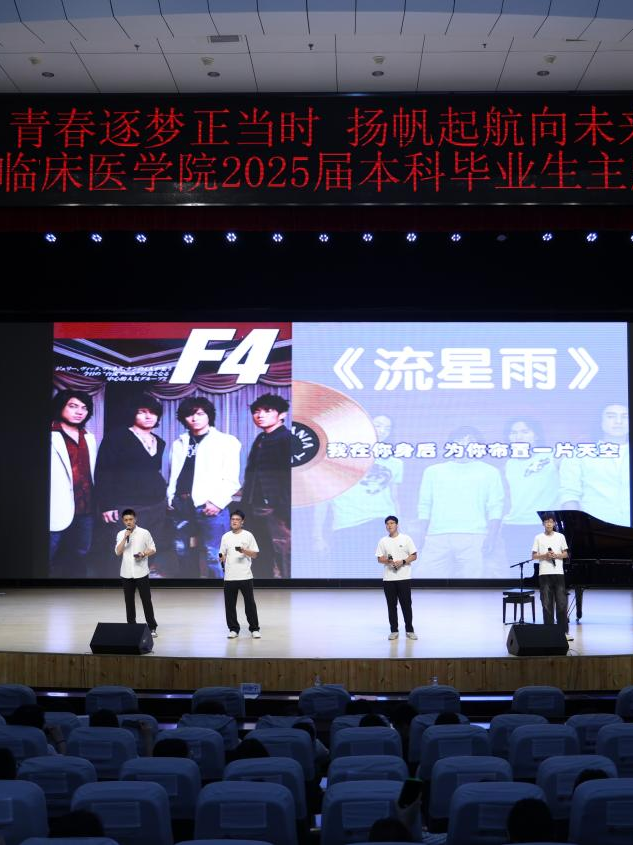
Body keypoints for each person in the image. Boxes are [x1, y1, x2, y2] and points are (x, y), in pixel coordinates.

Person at [313, 415, 404, 577]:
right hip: (347, 524)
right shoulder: (339, 459)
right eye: (378, 425)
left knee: (379, 576)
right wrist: (317, 536)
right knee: (346, 575)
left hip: (381, 524)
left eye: (387, 428)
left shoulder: (395, 462)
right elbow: (323, 500)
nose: (382, 431)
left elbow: (394, 497)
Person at [167, 397, 241, 578]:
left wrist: (217, 502)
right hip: (181, 505)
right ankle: (192, 589)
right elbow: (173, 474)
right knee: (182, 550)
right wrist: (170, 498)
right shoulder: (179, 443)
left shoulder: (226, 441)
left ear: (209, 416)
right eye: (190, 415)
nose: (195, 418)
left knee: (214, 555)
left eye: (200, 414)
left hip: (210, 506)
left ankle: (222, 591)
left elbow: (232, 479)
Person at [94, 393, 168, 576]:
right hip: (126, 504)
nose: (148, 416)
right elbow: (104, 471)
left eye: (153, 412)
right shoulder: (117, 437)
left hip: (156, 504)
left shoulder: (159, 442)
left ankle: (142, 576)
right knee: (123, 547)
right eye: (142, 412)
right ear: (133, 414)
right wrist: (107, 505)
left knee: (149, 544)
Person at [417, 426, 505, 578]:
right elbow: (424, 506)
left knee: (473, 583)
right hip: (437, 535)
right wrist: (421, 535)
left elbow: (496, 507)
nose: (464, 444)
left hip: (475, 535)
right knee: (427, 580)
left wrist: (492, 536)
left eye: (471, 441)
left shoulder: (490, 472)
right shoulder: (433, 471)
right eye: (460, 440)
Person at [241, 393, 291, 578]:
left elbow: (291, 478)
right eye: (256, 411)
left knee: (283, 553)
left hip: (276, 509)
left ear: (282, 414)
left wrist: (282, 508)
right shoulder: (261, 438)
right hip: (255, 506)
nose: (260, 415)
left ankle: (289, 588)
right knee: (259, 552)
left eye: (267, 410)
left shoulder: (286, 438)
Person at [501, 417, 559, 573]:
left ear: (536, 435)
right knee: (519, 574)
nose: (519, 436)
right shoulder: (508, 463)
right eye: (514, 432)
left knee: (549, 574)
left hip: (544, 525)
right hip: (515, 526)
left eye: (525, 431)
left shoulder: (553, 457)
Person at [50, 389, 97, 576]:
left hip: (86, 506)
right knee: (49, 553)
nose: (79, 412)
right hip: (56, 505)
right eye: (73, 406)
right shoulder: (50, 434)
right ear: (60, 406)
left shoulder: (89, 436)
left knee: (81, 553)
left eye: (84, 408)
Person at [560, 402, 630, 526]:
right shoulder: (579, 454)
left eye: (625, 416)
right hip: (594, 528)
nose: (619, 421)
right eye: (611, 416)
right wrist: (575, 527)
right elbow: (569, 495)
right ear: (600, 422)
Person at [115, 508, 158, 637]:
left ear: (135, 519)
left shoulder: (144, 533)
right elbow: (118, 552)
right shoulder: (121, 534)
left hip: (141, 572)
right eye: (126, 520)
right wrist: (125, 538)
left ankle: (152, 627)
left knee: (146, 600)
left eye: (131, 519)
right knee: (129, 602)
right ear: (123, 521)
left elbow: (153, 549)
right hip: (126, 573)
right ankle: (131, 627)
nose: (128, 522)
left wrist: (143, 554)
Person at [219, 510, 261, 638]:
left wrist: (244, 551)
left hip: (245, 575)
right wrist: (222, 558)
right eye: (232, 519)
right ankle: (233, 629)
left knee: (250, 604)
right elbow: (222, 553)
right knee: (230, 605)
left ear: (242, 522)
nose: (234, 521)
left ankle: (254, 629)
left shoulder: (248, 535)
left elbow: (255, 554)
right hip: (230, 576)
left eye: (237, 519)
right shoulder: (225, 536)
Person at [376, 515, 418, 641]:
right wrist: (388, 561)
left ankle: (409, 630)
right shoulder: (383, 541)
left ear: (397, 525)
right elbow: (379, 558)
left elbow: (414, 555)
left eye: (392, 523)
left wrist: (403, 561)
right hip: (389, 579)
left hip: (404, 577)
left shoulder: (406, 539)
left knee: (406, 605)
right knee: (391, 606)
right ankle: (394, 630)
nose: (389, 525)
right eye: (387, 524)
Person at [531, 513, 572, 640]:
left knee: (561, 604)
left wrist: (556, 556)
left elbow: (566, 554)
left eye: (551, 521)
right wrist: (545, 556)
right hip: (544, 574)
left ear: (554, 523)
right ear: (543, 524)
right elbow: (533, 556)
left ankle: (563, 633)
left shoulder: (560, 536)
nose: (548, 524)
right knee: (546, 604)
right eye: (546, 522)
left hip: (558, 574)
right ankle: (549, 633)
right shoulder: (538, 537)